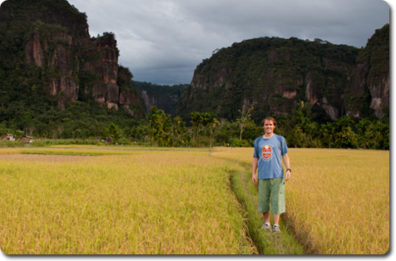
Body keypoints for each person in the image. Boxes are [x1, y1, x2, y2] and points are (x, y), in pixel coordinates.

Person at [252, 116, 291, 233]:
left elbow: (285, 155)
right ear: (263, 126)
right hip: (263, 175)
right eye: (266, 124)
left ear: (274, 126)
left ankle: (276, 225)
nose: (268, 126)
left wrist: (288, 169)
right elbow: (255, 157)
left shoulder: (280, 139)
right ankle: (267, 223)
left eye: (270, 124)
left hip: (277, 175)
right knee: (263, 201)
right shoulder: (258, 141)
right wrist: (253, 173)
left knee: (277, 200)